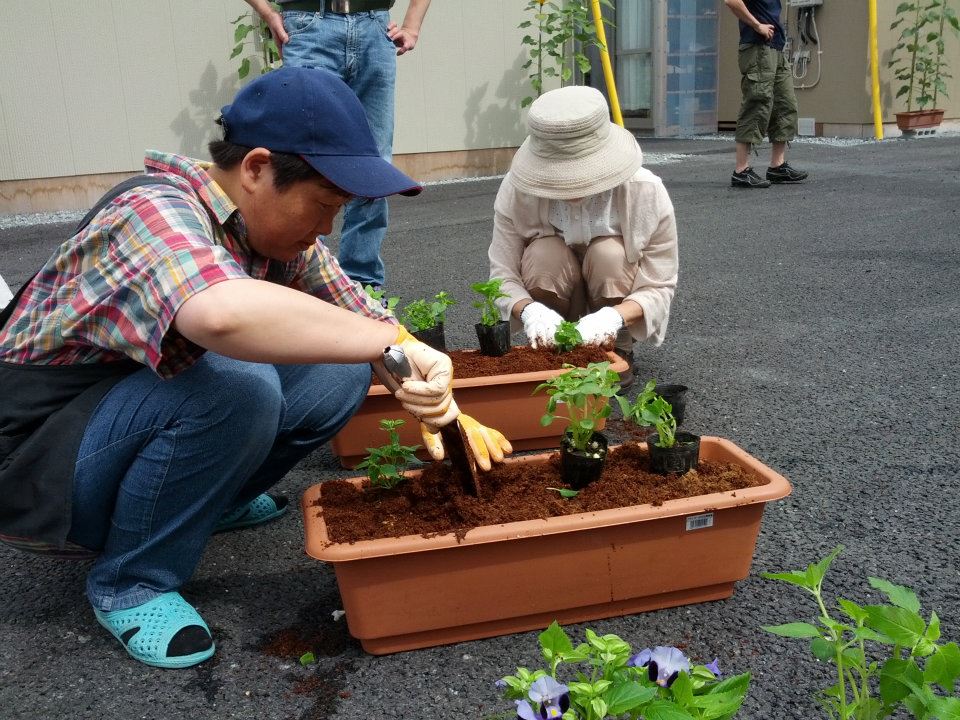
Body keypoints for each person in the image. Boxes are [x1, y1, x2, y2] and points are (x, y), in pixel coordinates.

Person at [0, 67, 509, 669]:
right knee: (235, 383)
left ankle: (208, 501)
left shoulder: (271, 235)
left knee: (337, 374)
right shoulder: (153, 212)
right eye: (323, 205)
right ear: (257, 168)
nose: (327, 229)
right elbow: (221, 316)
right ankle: (130, 580)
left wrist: (437, 399)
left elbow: (360, 315)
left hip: (115, 418)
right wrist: (382, 338)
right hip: (37, 460)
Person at [487, 86, 678, 389]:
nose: (572, 187)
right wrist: (531, 311)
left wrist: (612, 318)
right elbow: (502, 274)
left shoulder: (645, 192)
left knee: (610, 255)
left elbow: (659, 283)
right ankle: (554, 344)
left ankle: (615, 347)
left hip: (613, 303)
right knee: (543, 254)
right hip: (557, 297)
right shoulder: (517, 192)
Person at [245, 0, 432, 291]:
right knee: (305, 162)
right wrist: (268, 13)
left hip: (375, 27)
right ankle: (306, 284)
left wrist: (412, 26)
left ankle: (363, 286)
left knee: (373, 163)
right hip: (308, 25)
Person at [723, 0, 809, 188]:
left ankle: (777, 167)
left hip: (775, 48)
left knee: (785, 105)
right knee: (757, 104)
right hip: (757, 47)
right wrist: (756, 25)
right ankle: (741, 171)